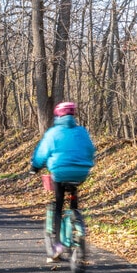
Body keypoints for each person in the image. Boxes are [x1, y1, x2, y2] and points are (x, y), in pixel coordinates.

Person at [30, 101, 96, 260]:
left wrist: (35, 166)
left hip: (60, 172)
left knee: (59, 205)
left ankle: (58, 244)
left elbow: (42, 153)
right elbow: (90, 150)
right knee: (73, 196)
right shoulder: (82, 131)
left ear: (58, 116)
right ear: (73, 115)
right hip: (81, 172)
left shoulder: (53, 132)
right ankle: (75, 215)